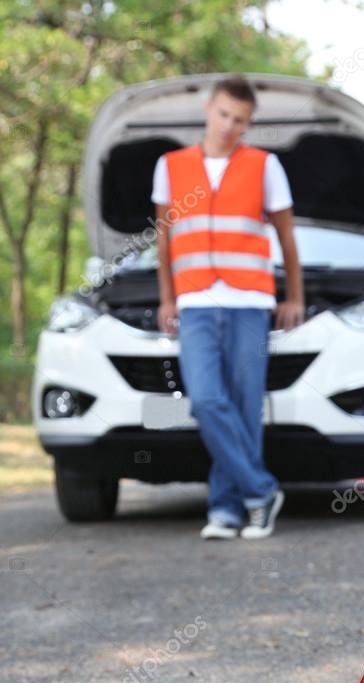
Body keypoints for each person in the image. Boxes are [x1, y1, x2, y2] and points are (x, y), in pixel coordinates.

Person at [152, 76, 304, 540]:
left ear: (248, 123)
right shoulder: (170, 166)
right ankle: (261, 491)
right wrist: (166, 296)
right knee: (206, 400)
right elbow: (164, 240)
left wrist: (294, 296)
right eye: (223, 114)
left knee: (242, 405)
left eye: (240, 120)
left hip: (249, 302)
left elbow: (286, 239)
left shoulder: (264, 166)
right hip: (196, 301)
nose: (229, 126)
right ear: (208, 109)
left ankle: (227, 510)